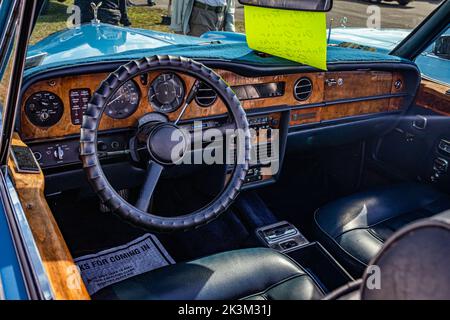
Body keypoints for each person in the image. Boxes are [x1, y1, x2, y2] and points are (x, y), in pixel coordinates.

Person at [170, 0, 235, 37]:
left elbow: (230, 4)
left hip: (221, 15)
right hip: (201, 14)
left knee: (214, 51)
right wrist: (177, 25)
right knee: (201, 49)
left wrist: (230, 25)